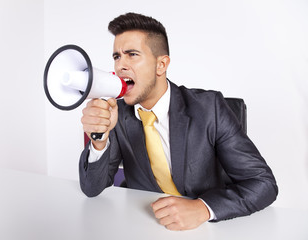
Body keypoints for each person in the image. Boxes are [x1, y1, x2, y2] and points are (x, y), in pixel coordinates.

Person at [79, 12, 278, 231]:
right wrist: (99, 139)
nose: (120, 66)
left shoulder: (209, 107)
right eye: (117, 56)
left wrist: (202, 208)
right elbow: (92, 189)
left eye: (132, 54)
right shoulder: (118, 113)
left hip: (205, 228)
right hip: (142, 224)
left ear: (161, 65)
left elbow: (263, 184)